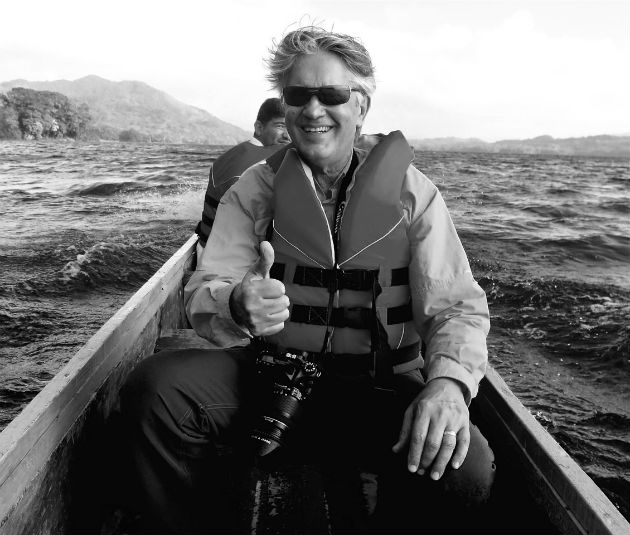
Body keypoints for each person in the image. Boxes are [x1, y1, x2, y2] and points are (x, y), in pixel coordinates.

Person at [120, 25, 495, 533]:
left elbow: (456, 307)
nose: (313, 109)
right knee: (156, 391)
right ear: (284, 105)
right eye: (298, 95)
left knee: (463, 466)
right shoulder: (254, 189)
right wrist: (234, 303)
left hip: (379, 389)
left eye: (332, 94)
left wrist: (449, 384)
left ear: (361, 106)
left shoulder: (414, 194)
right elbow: (205, 287)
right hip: (272, 379)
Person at [195, 97, 290, 253]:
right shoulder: (270, 162)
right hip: (233, 261)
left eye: (290, 128)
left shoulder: (223, 159)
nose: (288, 135)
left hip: (204, 249)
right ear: (259, 127)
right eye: (280, 126)